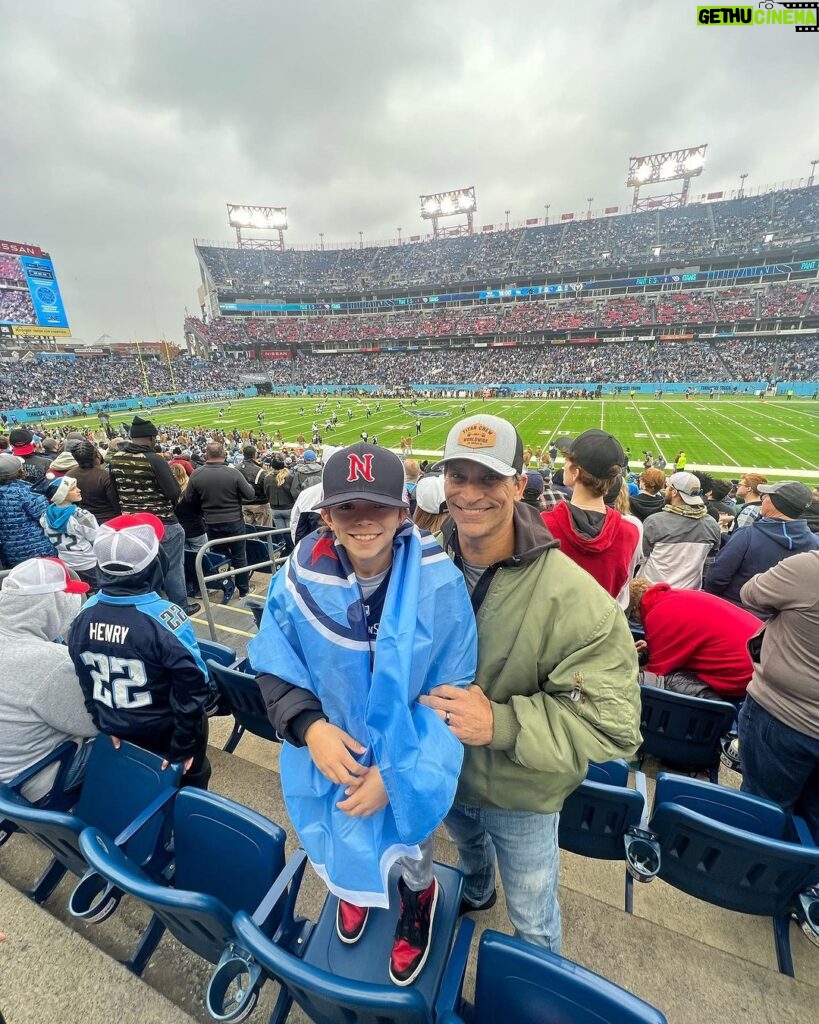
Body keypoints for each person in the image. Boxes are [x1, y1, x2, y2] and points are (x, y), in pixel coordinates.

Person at [249, 443, 477, 986]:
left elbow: (452, 689)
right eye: (348, 507)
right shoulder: (299, 577)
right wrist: (311, 728)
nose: (365, 521)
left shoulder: (438, 580)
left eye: (378, 506)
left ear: (403, 512)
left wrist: (397, 777)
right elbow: (274, 663)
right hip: (334, 749)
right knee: (340, 830)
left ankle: (418, 898)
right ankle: (354, 888)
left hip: (407, 748)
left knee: (412, 846)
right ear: (326, 515)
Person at [417, 415, 641, 954]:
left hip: (521, 795)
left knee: (535, 919)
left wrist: (501, 722)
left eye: (489, 478)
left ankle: (538, 982)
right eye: (458, 475)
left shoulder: (576, 597)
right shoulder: (418, 564)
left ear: (520, 485)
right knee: (469, 853)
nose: (469, 494)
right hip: (443, 774)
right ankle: (476, 886)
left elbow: (615, 725)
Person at [68, 514, 212, 789]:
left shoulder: (83, 616)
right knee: (190, 784)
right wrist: (184, 745)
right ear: (155, 563)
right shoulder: (166, 617)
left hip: (120, 727)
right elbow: (193, 686)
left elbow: (86, 680)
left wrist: (104, 723)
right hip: (166, 731)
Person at [737, 551, 819, 840]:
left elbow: (751, 593)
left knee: (760, 815)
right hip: (787, 717)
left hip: (781, 718)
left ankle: (748, 879)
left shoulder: (809, 569)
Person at [0, 557, 97, 801]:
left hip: (6, 779)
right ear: (50, 606)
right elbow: (95, 722)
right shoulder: (50, 662)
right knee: (138, 740)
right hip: (31, 784)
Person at [107, 416, 197, 614]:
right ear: (151, 438)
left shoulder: (116, 459)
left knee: (145, 567)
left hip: (133, 525)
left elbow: (112, 494)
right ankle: (180, 607)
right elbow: (174, 492)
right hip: (162, 522)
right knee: (173, 567)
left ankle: (152, 607)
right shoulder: (154, 459)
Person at [540, 430, 640, 605]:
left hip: (553, 626)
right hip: (601, 626)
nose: (564, 465)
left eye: (567, 460)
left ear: (576, 472)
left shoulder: (543, 524)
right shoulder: (630, 532)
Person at [628, 579, 759, 700]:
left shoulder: (658, 615)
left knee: (652, 681)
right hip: (758, 654)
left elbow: (655, 672)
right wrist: (651, 647)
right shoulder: (673, 597)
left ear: (634, 610)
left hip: (742, 673)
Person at [704, 482, 819, 606]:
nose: (762, 498)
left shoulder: (747, 535)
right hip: (778, 619)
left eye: (767, 496)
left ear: (776, 503)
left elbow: (716, 579)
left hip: (737, 611)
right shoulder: (814, 542)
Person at [185, 442, 256, 599]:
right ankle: (243, 589)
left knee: (219, 556)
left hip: (211, 522)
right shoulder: (233, 473)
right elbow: (250, 494)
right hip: (234, 521)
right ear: (223, 455)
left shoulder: (197, 474)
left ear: (206, 455)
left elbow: (189, 499)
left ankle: (225, 586)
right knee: (239, 556)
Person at [641, 472, 721, 590]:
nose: (666, 490)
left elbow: (641, 556)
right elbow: (709, 562)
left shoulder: (655, 521)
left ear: (674, 492)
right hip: (688, 593)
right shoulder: (711, 524)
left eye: (668, 487)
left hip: (654, 590)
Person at [39, 476, 100, 590]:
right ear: (61, 495)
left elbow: (47, 535)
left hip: (66, 563)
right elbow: (97, 538)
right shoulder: (82, 516)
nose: (78, 490)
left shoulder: (45, 515)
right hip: (88, 562)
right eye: (73, 488)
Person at [0, 453, 55, 568]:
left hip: (9, 551)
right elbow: (45, 517)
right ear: (19, 471)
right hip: (38, 548)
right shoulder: (26, 491)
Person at [70, 441, 121, 524]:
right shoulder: (105, 476)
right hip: (108, 522)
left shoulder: (69, 475)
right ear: (97, 454)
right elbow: (116, 504)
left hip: (82, 521)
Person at [238, 445, 272, 528]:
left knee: (250, 531)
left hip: (244, 504)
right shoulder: (260, 471)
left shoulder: (237, 468)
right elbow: (266, 487)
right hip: (260, 503)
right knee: (265, 531)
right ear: (254, 455)